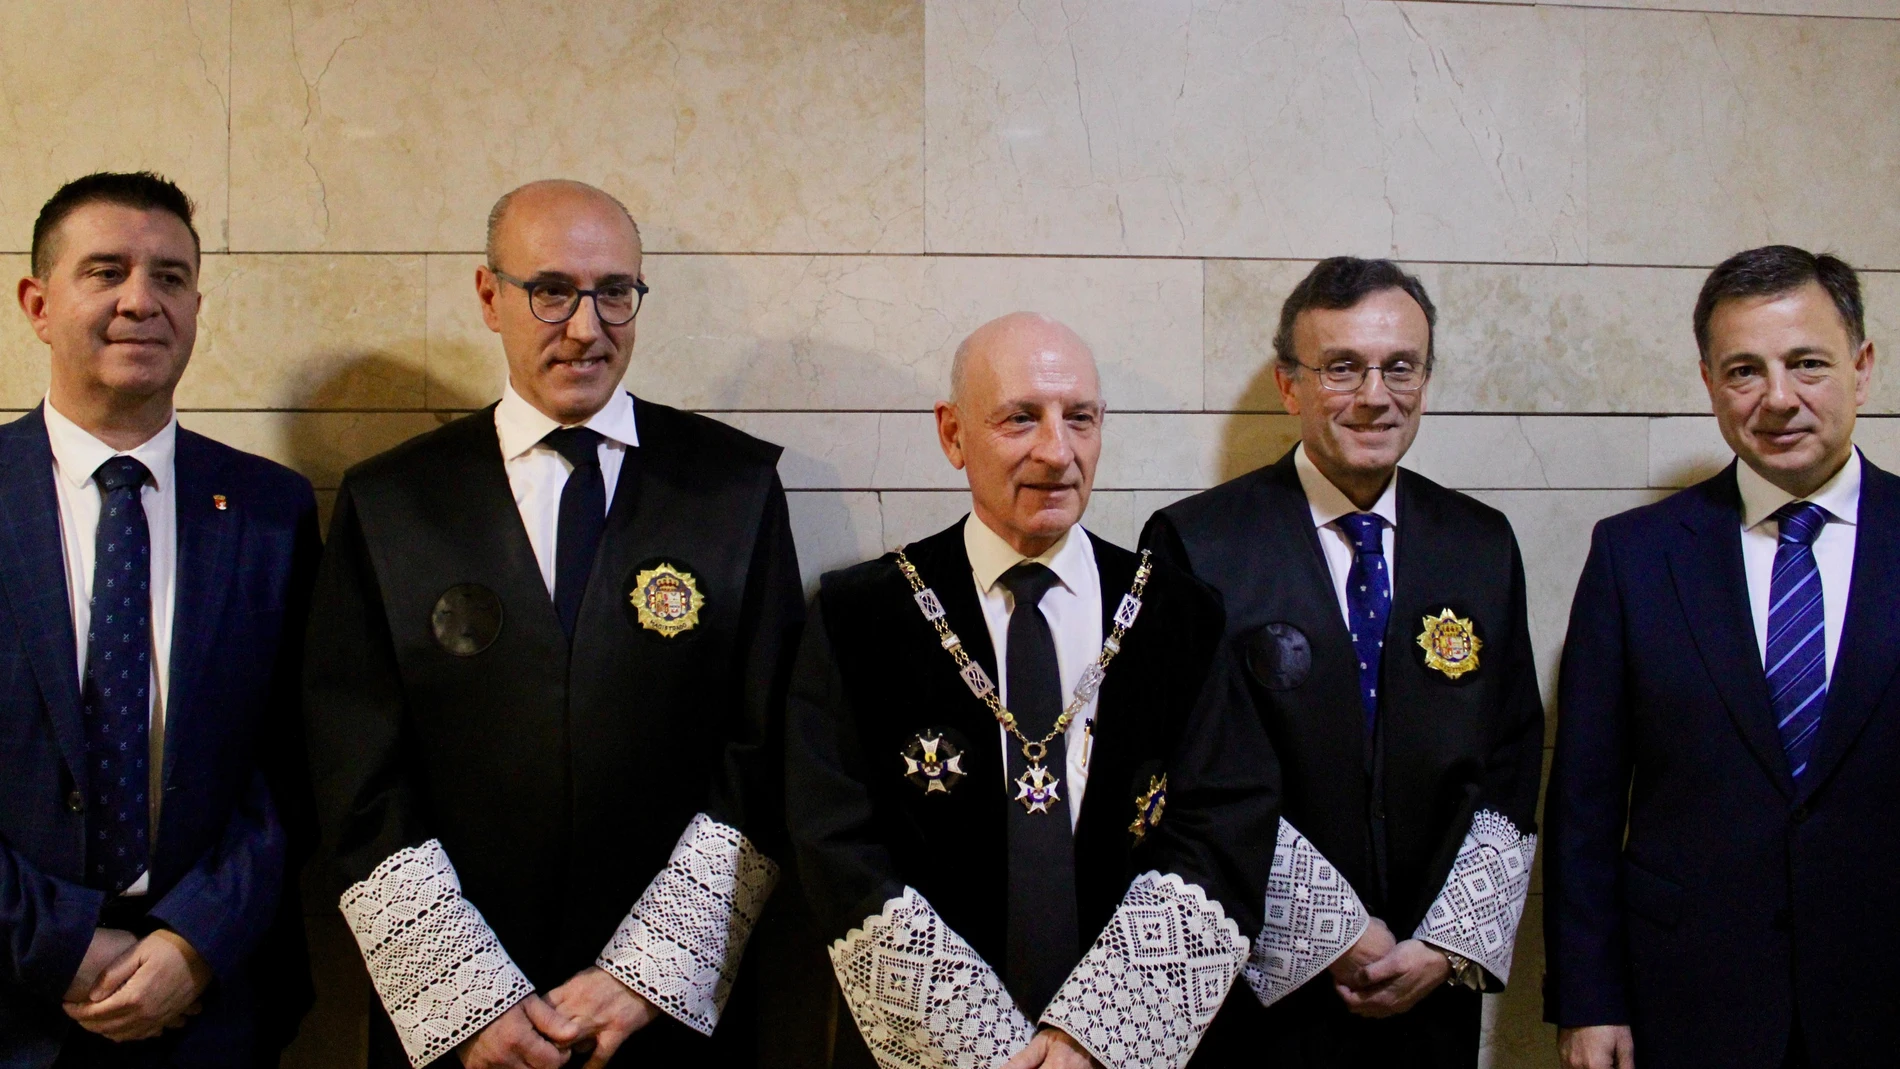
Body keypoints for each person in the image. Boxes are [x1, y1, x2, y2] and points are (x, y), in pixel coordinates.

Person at [302, 180, 804, 1068]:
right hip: (462, 1027)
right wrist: (468, 995)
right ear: (488, 296)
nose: (586, 326)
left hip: (674, 1020)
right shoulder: (393, 502)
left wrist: (647, 975)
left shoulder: (733, 488)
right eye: (551, 291)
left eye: (615, 292)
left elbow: (766, 748)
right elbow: (355, 768)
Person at [786, 312, 1279, 1069]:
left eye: (1079, 418)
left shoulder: (1179, 614)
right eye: (1021, 418)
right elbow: (834, 841)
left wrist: (1093, 1035)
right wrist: (979, 1046)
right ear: (953, 435)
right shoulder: (860, 617)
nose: (1057, 451)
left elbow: (1224, 821)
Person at [1142, 257, 1544, 1068]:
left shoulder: (1481, 542)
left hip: (1431, 990)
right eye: (1342, 368)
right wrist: (1330, 930)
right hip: (1258, 994)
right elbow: (1179, 771)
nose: (1375, 394)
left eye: (1400, 366)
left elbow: (1511, 751)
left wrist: (1445, 940)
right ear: (1291, 387)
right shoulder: (1197, 544)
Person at [0, 172, 320, 1068]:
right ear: (38, 302)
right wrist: (58, 940)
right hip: (10, 998)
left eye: (170, 277)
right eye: (106, 271)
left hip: (210, 1006)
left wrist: (196, 939)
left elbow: (298, 761)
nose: (141, 299)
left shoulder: (271, 510)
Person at [1545, 245, 1891, 1069]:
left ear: (1863, 367)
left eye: (1808, 363)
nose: (1778, 398)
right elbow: (1586, 804)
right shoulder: (1635, 557)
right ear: (1708, 382)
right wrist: (1589, 1000)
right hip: (1691, 1002)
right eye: (1745, 371)